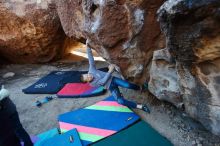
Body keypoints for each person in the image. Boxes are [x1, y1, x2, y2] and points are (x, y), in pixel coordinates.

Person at [81, 41, 150, 113]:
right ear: (87, 81)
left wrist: (87, 47)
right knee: (120, 101)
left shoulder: (91, 70)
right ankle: (141, 106)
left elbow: (90, 59)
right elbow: (103, 82)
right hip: (111, 87)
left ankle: (141, 88)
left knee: (128, 85)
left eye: (87, 75)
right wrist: (110, 71)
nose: (89, 76)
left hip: (113, 80)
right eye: (88, 78)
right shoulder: (92, 84)